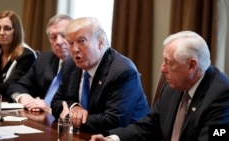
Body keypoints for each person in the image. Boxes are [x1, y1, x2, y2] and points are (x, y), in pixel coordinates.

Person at [90, 31, 229, 141]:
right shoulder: (172, 88)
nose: (162, 69)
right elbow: (149, 126)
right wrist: (112, 139)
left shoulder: (221, 95)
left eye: (169, 62)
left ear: (192, 65)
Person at [51, 17, 150, 134]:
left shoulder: (122, 71)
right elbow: (56, 102)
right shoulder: (70, 65)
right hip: (85, 135)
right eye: (71, 43)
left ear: (100, 42)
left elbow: (113, 121)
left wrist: (69, 118)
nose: (75, 49)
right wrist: (74, 108)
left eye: (81, 41)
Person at [7, 14, 72, 113]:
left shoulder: (83, 66)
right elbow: (15, 86)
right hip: (38, 117)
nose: (58, 41)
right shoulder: (44, 59)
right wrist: (25, 99)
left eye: (64, 36)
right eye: (53, 37)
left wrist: (49, 110)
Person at [0, 10, 37, 97]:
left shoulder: (27, 55)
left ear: (16, 31)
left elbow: (8, 87)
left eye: (7, 28)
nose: (1, 33)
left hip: (21, 106)